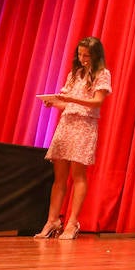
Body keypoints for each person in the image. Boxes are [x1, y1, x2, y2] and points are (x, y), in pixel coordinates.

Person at [36, 36, 112, 240]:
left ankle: (72, 222)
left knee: (78, 175)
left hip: (84, 125)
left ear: (96, 55)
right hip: (67, 124)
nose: (82, 58)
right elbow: (66, 104)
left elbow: (97, 102)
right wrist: (53, 103)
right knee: (59, 177)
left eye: (86, 55)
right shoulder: (74, 74)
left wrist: (70, 99)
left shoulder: (102, 74)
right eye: (79, 54)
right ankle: (52, 220)